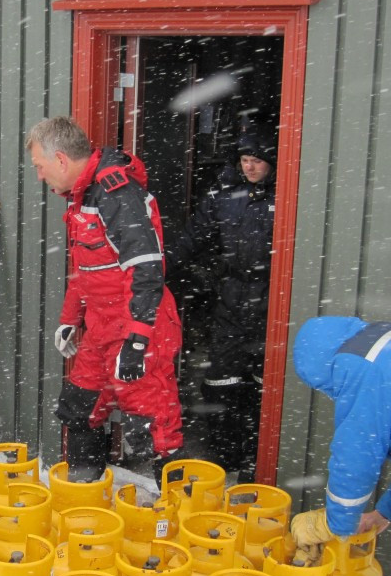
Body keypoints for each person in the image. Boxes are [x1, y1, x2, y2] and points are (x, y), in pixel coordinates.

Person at [26, 116, 183, 485]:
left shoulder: (116, 194)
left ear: (61, 160)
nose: (40, 177)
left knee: (154, 429)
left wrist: (138, 337)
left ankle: (177, 517)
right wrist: (70, 318)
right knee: (79, 408)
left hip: (138, 326)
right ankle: (84, 493)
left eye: (40, 167)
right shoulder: (81, 197)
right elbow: (87, 269)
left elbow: (146, 269)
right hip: (99, 328)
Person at [167, 127, 277, 482]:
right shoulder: (225, 194)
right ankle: (226, 454)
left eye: (257, 161)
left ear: (271, 162)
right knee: (220, 379)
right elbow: (196, 234)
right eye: (245, 160)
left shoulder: (286, 193)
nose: (250, 167)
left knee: (264, 382)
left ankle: (257, 459)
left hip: (271, 302)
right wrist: (162, 265)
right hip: (231, 295)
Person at [289, 316, 391, 564]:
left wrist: (334, 523)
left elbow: (356, 456)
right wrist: (383, 512)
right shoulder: (378, 343)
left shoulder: (363, 368)